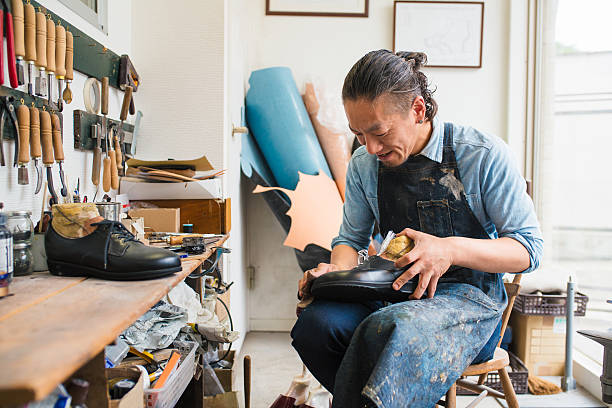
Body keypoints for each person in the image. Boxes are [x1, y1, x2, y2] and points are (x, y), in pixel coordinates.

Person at [290, 50, 543, 408]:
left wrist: (449, 249)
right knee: (317, 327)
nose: (370, 147)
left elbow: (528, 250)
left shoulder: (482, 154)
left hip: (470, 302)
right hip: (396, 289)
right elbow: (350, 239)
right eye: (358, 134)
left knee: (391, 330)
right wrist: (336, 273)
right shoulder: (365, 163)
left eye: (379, 131)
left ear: (418, 110)